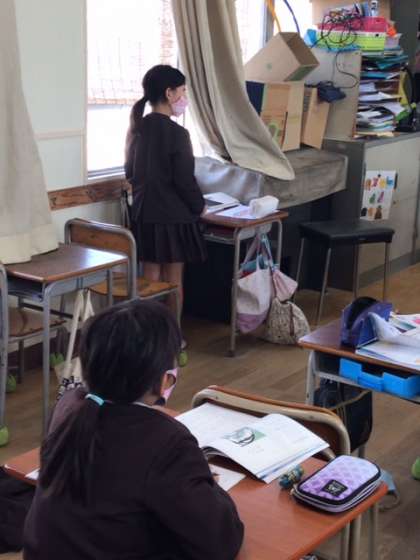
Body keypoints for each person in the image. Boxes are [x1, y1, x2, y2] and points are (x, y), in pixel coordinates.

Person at [23, 300, 244, 560]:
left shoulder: (70, 405)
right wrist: (206, 483)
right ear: (165, 379)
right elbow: (221, 540)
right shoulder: (167, 442)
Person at [125, 65, 207, 321]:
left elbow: (129, 172)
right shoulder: (178, 134)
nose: (184, 97)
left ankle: (146, 335)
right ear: (169, 93)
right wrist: (200, 206)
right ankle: (173, 335)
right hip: (173, 217)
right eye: (182, 91)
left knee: (149, 279)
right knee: (173, 281)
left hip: (144, 215)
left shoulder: (137, 128)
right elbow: (184, 180)